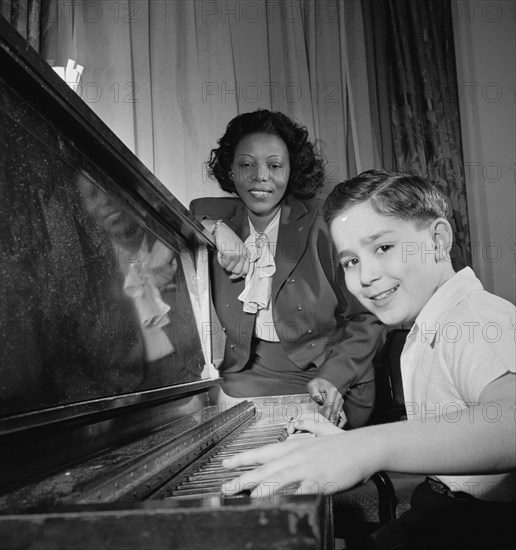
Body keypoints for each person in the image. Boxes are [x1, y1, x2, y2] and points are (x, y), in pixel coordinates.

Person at [221, 170, 516, 549]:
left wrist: (366, 447)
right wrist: (344, 444)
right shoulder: (431, 321)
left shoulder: (474, 318)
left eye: (383, 248)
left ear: (439, 240)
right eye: (350, 262)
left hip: (480, 525)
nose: (366, 277)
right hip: (442, 508)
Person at [190, 110, 384, 428]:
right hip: (247, 377)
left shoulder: (325, 222)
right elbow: (185, 215)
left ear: (291, 170)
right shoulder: (216, 215)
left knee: (298, 463)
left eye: (275, 165)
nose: (260, 176)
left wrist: (336, 377)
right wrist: (214, 228)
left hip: (328, 376)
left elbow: (366, 316)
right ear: (231, 170)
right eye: (246, 164)